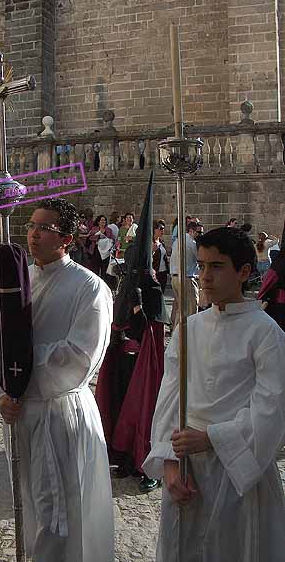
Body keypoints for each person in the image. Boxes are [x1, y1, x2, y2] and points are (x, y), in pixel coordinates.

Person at [0, 198, 114, 562]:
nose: (33, 234)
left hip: (60, 412)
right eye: (31, 226)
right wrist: (3, 392)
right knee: (32, 504)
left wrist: (20, 371)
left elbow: (80, 358)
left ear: (66, 239)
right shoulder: (18, 281)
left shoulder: (89, 288)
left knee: (61, 510)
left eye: (44, 228)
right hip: (21, 412)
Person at [143, 227, 285, 562]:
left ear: (245, 272)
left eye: (217, 266)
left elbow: (272, 408)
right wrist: (169, 463)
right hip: (188, 470)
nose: (205, 276)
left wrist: (212, 438)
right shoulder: (188, 330)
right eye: (202, 265)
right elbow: (169, 400)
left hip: (239, 471)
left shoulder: (266, 334)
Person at [96, 171, 168, 493]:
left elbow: (155, 322)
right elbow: (118, 316)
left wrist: (142, 308)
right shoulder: (127, 283)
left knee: (144, 410)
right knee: (122, 405)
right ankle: (125, 458)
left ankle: (147, 464)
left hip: (143, 362)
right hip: (124, 358)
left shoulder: (151, 285)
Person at [169, 221, 200, 327]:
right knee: (191, 309)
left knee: (180, 310)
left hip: (175, 277)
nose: (199, 235)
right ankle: (186, 336)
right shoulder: (191, 242)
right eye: (198, 232)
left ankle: (176, 335)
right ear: (191, 231)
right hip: (186, 278)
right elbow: (199, 259)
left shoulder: (177, 241)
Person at [258, 222, 285, 331]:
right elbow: (276, 242)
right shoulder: (268, 244)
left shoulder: (258, 245)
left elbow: (267, 285)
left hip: (260, 263)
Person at [87, 214, 115, 284]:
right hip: (96, 250)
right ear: (98, 222)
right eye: (102, 220)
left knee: (104, 268)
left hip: (106, 252)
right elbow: (90, 237)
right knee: (95, 267)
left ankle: (104, 283)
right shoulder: (94, 229)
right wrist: (98, 236)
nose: (103, 221)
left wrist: (108, 240)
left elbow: (113, 239)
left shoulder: (109, 230)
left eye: (104, 220)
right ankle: (95, 283)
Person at [152, 219, 169, 293]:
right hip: (155, 272)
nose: (163, 231)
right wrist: (152, 251)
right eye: (161, 228)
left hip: (163, 273)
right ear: (155, 229)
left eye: (163, 228)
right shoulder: (150, 242)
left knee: (162, 293)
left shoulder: (161, 242)